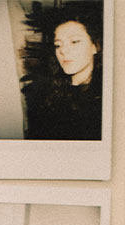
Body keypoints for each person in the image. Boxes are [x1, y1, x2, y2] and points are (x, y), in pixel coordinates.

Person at [22, 6, 103, 141]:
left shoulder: (106, 98)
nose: (63, 51)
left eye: (74, 41)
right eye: (58, 45)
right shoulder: (43, 93)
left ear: (95, 46)